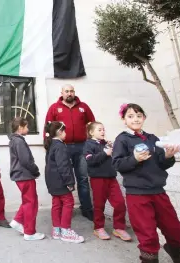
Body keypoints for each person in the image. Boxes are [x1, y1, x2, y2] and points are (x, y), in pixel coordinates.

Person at [112, 103, 180, 263]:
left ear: (144, 118)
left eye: (139, 116)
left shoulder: (153, 138)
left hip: (158, 192)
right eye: (130, 116)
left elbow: (162, 163)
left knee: (176, 232)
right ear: (124, 120)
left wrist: (167, 156)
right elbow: (117, 164)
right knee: (148, 237)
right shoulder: (122, 139)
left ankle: (174, 251)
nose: (136, 119)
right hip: (137, 196)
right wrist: (134, 159)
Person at [44, 84, 95, 221]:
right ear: (62, 93)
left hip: (82, 147)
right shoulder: (54, 108)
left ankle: (86, 209)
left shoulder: (83, 107)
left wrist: (92, 143)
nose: (69, 93)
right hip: (62, 148)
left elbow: (92, 125)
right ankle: (65, 207)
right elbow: (48, 128)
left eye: (71, 91)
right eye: (66, 91)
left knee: (83, 179)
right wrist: (48, 146)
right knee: (62, 178)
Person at [83, 121, 131, 241]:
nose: (103, 131)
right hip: (97, 179)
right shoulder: (88, 144)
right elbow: (90, 160)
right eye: (99, 129)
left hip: (111, 178)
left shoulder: (107, 144)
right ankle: (98, 228)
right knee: (99, 205)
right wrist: (104, 153)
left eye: (103, 129)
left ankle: (119, 228)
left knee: (120, 203)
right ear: (91, 132)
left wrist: (111, 148)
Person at [45, 121, 84, 243]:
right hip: (61, 181)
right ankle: (66, 231)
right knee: (68, 202)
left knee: (56, 204)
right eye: (65, 131)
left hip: (52, 181)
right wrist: (69, 182)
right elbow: (63, 166)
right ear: (59, 132)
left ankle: (57, 230)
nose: (66, 133)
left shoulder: (51, 144)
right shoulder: (60, 146)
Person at [8, 117, 44, 241]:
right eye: (26, 127)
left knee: (28, 201)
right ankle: (29, 232)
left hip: (21, 176)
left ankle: (18, 221)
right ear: (20, 128)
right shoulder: (19, 141)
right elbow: (25, 160)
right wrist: (35, 170)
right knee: (31, 203)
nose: (28, 129)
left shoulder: (15, 140)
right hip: (25, 175)